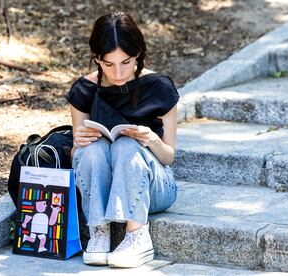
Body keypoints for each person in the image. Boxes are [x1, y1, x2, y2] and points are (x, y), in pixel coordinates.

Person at [66, 11, 179, 268]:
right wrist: (79, 141)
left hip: (155, 186)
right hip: (104, 187)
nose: (118, 73)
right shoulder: (84, 90)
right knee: (91, 150)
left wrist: (151, 140)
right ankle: (99, 232)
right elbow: (76, 157)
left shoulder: (159, 87)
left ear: (137, 54)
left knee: (128, 145)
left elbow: (169, 156)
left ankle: (137, 236)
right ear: (96, 58)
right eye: (108, 64)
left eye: (126, 62)